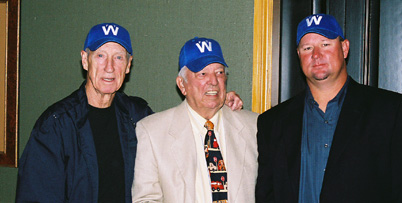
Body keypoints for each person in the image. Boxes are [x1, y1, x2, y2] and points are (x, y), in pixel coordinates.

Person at [16, 24, 242, 203]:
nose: (109, 67)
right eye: (101, 56)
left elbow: (181, 134)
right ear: (85, 60)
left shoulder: (138, 116)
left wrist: (217, 101)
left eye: (118, 57)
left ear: (128, 65)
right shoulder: (55, 125)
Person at [255, 14, 402, 202]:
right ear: (299, 56)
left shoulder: (390, 111)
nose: (316, 55)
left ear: (344, 48)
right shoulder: (272, 123)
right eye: (307, 48)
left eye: (325, 44)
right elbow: (266, 194)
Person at [132, 37, 258, 203]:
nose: (213, 81)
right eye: (202, 74)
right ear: (182, 85)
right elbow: (146, 199)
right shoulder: (153, 132)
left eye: (219, 72)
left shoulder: (255, 126)